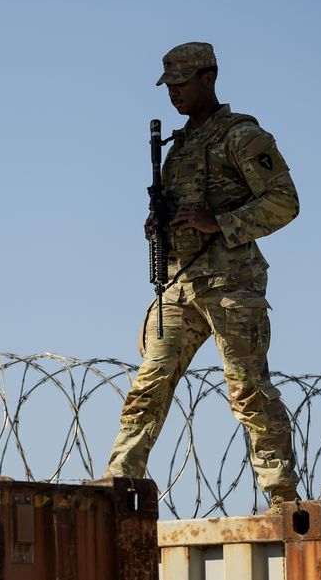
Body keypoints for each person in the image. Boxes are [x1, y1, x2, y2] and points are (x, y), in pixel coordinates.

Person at [102, 42, 301, 515]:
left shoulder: (241, 136)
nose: (174, 94)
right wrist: (159, 225)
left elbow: (285, 201)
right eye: (168, 86)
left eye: (182, 83)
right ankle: (120, 478)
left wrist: (220, 223)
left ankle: (282, 498)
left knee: (247, 388)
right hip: (181, 283)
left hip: (231, 285)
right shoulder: (180, 147)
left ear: (208, 79)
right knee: (149, 382)